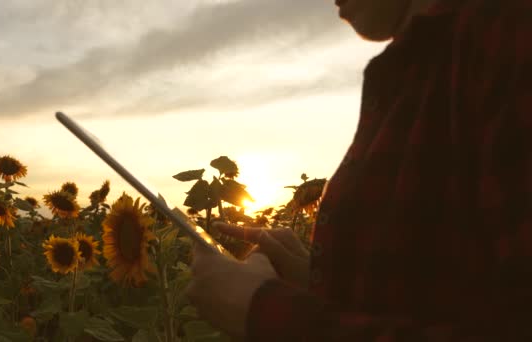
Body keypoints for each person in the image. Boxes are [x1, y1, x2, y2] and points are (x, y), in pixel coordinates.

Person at [186, 0, 532, 340]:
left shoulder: (507, 34)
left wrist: (261, 311)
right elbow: (442, 297)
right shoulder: (420, 67)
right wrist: (319, 283)